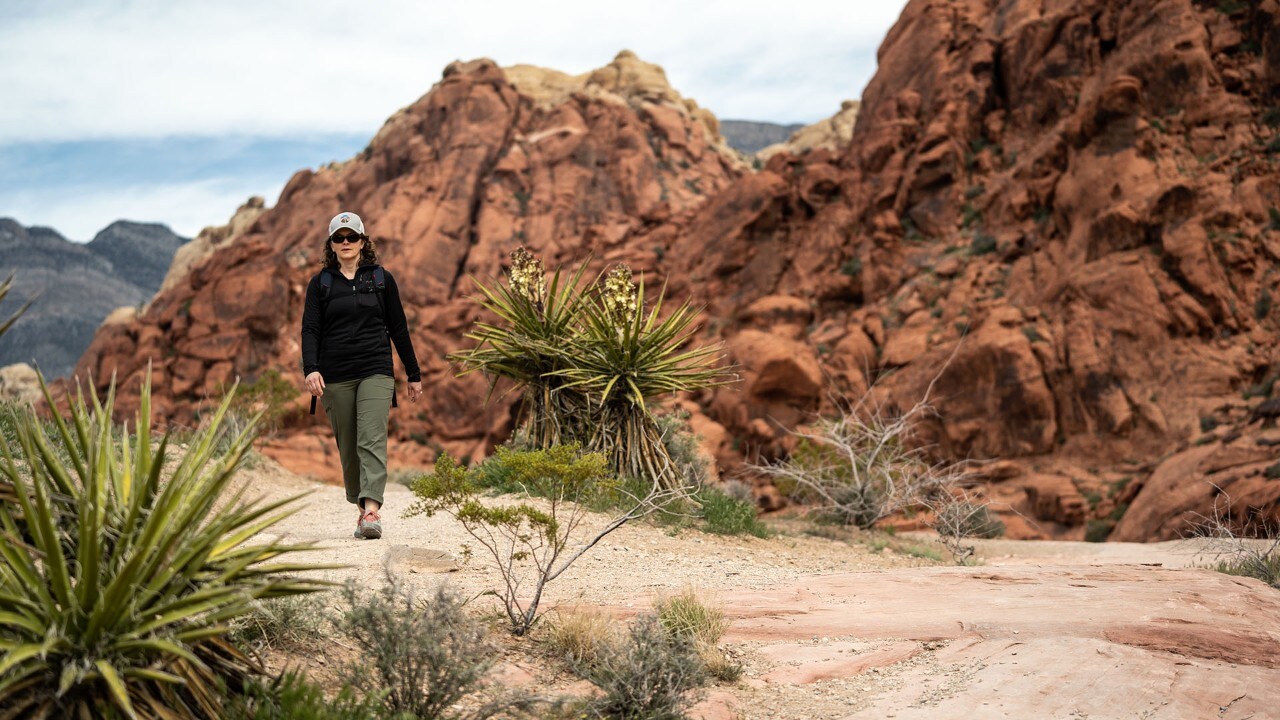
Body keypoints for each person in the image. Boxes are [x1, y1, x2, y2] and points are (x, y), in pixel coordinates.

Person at [301, 211, 422, 540]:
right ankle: (360, 507)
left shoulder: (382, 279)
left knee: (371, 437)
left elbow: (398, 328)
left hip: (376, 369)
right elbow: (310, 329)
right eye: (338, 238)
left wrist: (413, 373)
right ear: (331, 244)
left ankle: (371, 510)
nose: (345, 243)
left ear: (363, 241)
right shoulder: (321, 284)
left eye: (351, 237)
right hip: (335, 374)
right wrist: (310, 369)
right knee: (349, 444)